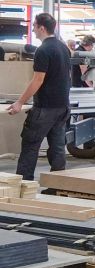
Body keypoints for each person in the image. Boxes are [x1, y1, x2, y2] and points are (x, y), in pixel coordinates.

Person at [7, 13, 71, 181]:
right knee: (57, 147)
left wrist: (20, 102)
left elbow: (38, 80)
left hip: (45, 108)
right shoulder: (63, 48)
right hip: (62, 106)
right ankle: (58, 185)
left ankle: (24, 185)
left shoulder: (43, 50)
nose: (33, 29)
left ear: (42, 28)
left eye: (34, 26)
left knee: (30, 145)